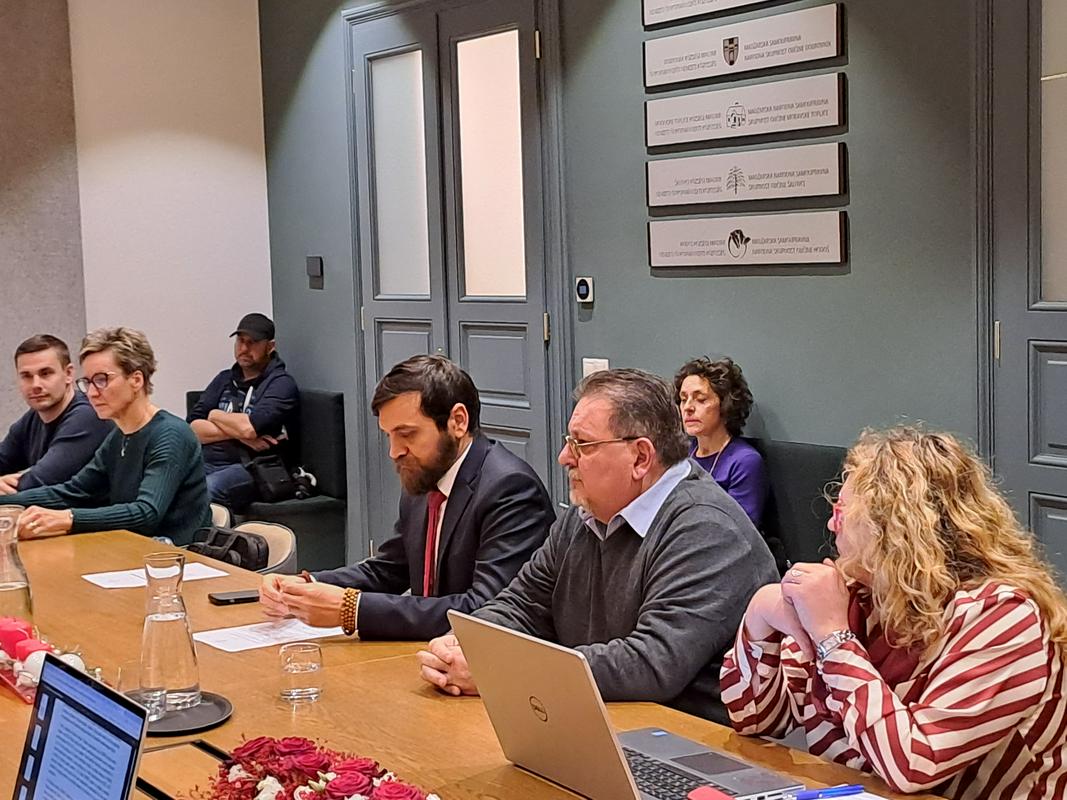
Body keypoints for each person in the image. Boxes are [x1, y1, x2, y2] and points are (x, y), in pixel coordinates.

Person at [720, 427, 1067, 799]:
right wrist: (760, 615)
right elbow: (754, 719)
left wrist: (833, 638)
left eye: (842, 512)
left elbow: (915, 764)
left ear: (893, 530)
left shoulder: (1003, 617)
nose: (831, 525)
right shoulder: (862, 593)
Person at [417, 368, 779, 724]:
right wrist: (466, 643)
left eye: (582, 444)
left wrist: (501, 671)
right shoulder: (587, 514)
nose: (564, 457)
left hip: (690, 741)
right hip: (599, 720)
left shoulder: (709, 530)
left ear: (640, 458)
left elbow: (652, 663)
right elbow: (522, 605)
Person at [259, 355, 554, 641]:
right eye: (389, 435)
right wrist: (306, 586)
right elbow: (391, 569)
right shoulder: (427, 474)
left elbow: (487, 610)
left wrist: (352, 610)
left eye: (407, 434)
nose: (395, 451)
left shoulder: (510, 488)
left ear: (458, 421)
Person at [7, 328, 211, 546]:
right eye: (88, 382)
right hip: (133, 551)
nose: (92, 393)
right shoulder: (119, 435)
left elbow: (146, 512)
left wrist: (68, 518)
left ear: (136, 380)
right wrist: (6, 502)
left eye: (101, 380)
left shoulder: (171, 434)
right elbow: (75, 491)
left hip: (179, 557)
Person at [187, 313, 299, 511]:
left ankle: (213, 531)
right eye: (240, 341)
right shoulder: (224, 379)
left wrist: (214, 415)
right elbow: (193, 429)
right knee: (169, 482)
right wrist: (239, 434)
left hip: (252, 467)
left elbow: (249, 429)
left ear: (270, 346)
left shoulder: (281, 384)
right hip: (207, 461)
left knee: (209, 489)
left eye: (252, 342)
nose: (244, 349)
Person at [0, 335, 111, 493]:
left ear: (69, 374)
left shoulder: (88, 416)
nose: (36, 385)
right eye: (26, 376)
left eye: (45, 373)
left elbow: (40, 482)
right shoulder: (33, 418)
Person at [674, 356, 767, 527]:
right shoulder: (681, 454)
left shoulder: (744, 461)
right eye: (683, 399)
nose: (688, 407)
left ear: (725, 405)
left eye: (701, 399)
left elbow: (738, 529)